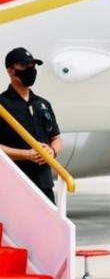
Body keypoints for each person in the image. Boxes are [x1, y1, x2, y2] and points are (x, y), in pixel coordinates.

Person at [0, 47, 62, 203]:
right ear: (10, 71)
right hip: (15, 184)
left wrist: (52, 151)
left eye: (33, 66)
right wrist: (26, 154)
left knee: (47, 227)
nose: (30, 70)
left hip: (44, 183)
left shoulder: (43, 104)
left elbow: (56, 137)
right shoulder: (2, 105)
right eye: (24, 66)